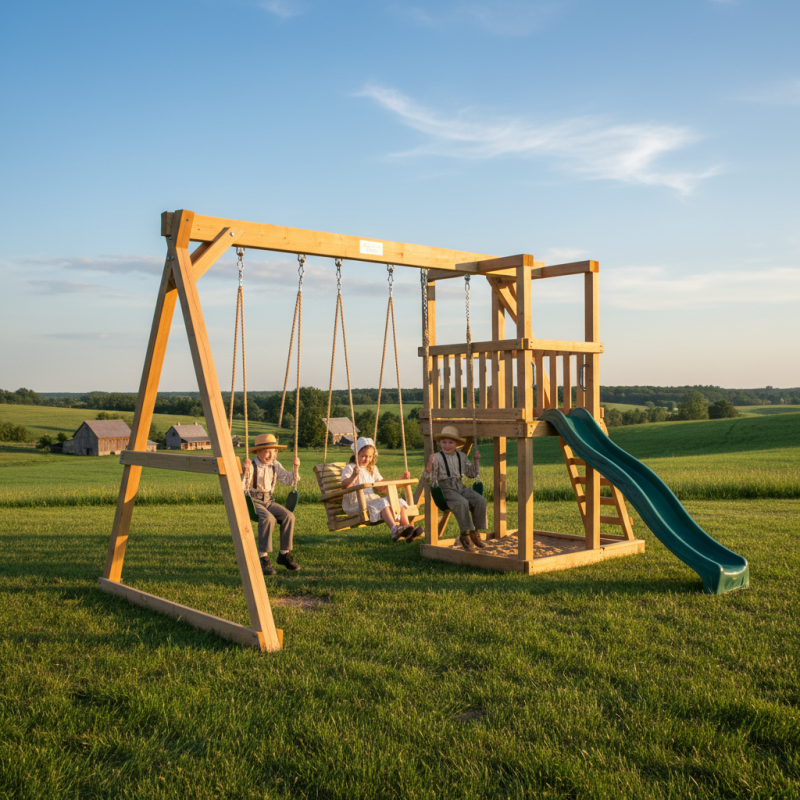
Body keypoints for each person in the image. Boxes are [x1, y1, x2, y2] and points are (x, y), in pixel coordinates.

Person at [340, 437, 423, 542]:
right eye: (363, 456)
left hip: (371, 499)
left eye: (370, 456)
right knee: (383, 502)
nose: (366, 459)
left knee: (398, 501)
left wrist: (401, 480)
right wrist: (353, 476)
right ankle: (394, 530)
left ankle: (408, 529)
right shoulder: (350, 468)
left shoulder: (372, 468)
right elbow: (344, 486)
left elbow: (382, 488)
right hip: (357, 503)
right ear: (356, 454)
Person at [242, 433, 301, 575]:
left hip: (268, 500)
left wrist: (295, 468)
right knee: (268, 518)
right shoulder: (251, 465)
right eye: (267, 451)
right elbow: (241, 486)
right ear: (257, 452)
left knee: (289, 516)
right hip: (253, 500)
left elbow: (288, 481)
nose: (271, 455)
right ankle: (263, 557)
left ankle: (284, 554)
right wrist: (245, 471)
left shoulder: (275, 465)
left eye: (274, 451)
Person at [425, 425, 487, 552]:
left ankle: (475, 531)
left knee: (481, 500)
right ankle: (464, 535)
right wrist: (429, 465)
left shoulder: (461, 456)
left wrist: (476, 461)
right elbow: (428, 480)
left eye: (450, 442)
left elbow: (471, 474)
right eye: (444, 442)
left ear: (457, 444)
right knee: (462, 502)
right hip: (445, 488)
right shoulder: (436, 457)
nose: (447, 445)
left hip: (460, 486)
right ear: (440, 442)